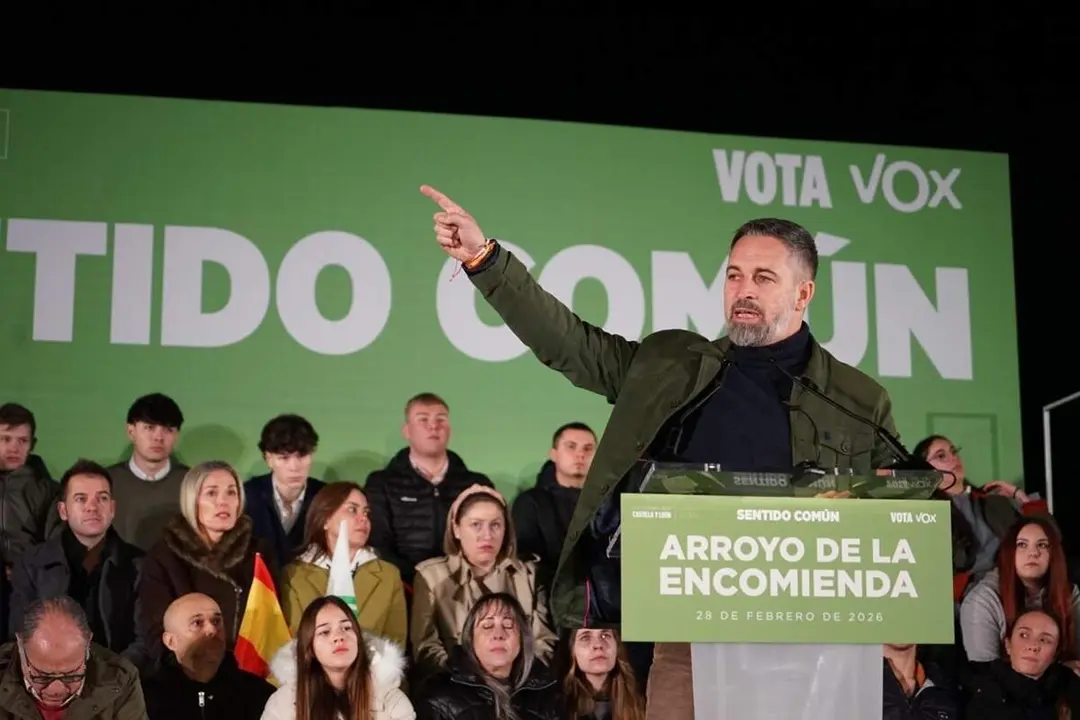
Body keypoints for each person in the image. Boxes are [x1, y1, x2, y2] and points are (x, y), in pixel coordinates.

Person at [421, 186, 902, 715]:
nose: (743, 290)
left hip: (809, 646)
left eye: (764, 278)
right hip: (691, 637)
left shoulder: (858, 401)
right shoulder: (671, 364)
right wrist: (485, 260)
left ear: (803, 293)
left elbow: (895, 517)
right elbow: (569, 342)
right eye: (735, 274)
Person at [410, 485, 556, 686]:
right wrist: (469, 680)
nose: (487, 535)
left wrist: (515, 677)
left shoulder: (529, 574)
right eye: (476, 525)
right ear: (456, 529)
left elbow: (543, 642)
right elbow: (426, 647)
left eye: (495, 525)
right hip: (455, 687)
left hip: (520, 685)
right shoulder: (431, 576)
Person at [138, 461, 279, 663]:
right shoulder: (165, 556)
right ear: (192, 500)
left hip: (251, 670)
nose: (224, 502)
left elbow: (274, 621)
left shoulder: (259, 551)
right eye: (212, 493)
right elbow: (155, 629)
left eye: (231, 493)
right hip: (186, 671)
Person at [9, 459, 143, 663]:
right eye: (81, 499)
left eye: (102, 498)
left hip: (119, 681)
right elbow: (20, 634)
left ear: (112, 508)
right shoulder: (31, 564)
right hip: (49, 678)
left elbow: (144, 641)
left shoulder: (138, 564)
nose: (92, 507)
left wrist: (114, 677)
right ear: (63, 511)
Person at [281, 483, 407, 647]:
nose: (363, 519)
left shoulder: (388, 575)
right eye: (352, 510)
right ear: (325, 519)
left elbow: (395, 645)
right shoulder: (293, 575)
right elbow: (295, 642)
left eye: (366, 512)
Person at [414, 592, 562, 720]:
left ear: (522, 639)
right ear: (470, 639)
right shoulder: (438, 696)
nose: (498, 634)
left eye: (508, 625)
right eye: (487, 626)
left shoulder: (548, 694)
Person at [263, 595, 414, 719]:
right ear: (310, 648)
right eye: (325, 632)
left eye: (346, 628)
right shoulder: (282, 703)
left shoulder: (390, 699)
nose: (339, 637)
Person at [0, 595, 146, 718]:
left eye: (71, 676)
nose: (55, 690)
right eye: (42, 676)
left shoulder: (120, 678)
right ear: (20, 646)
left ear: (87, 645)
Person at [960, 516, 1080, 663]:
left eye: (1042, 545)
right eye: (1022, 545)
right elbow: (984, 672)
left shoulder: (1069, 594)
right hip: (1000, 682)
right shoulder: (983, 600)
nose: (1033, 553)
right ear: (1009, 551)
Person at [142, 593, 275, 720]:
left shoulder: (258, 693)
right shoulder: (144, 698)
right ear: (171, 641)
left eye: (216, 621)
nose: (212, 630)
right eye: (197, 623)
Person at [966, 609, 1080, 718]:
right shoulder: (984, 693)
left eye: (1045, 640)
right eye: (1024, 635)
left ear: (1055, 654)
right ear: (1008, 645)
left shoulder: (1070, 688)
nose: (1033, 646)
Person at [245, 414, 326, 566]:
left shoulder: (325, 497)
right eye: (284, 458)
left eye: (302, 456)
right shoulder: (247, 496)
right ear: (268, 459)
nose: (294, 467)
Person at [557, 628, 646, 720]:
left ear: (617, 647)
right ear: (573, 652)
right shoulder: (554, 707)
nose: (598, 644)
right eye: (585, 637)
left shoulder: (645, 698)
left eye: (605, 635)